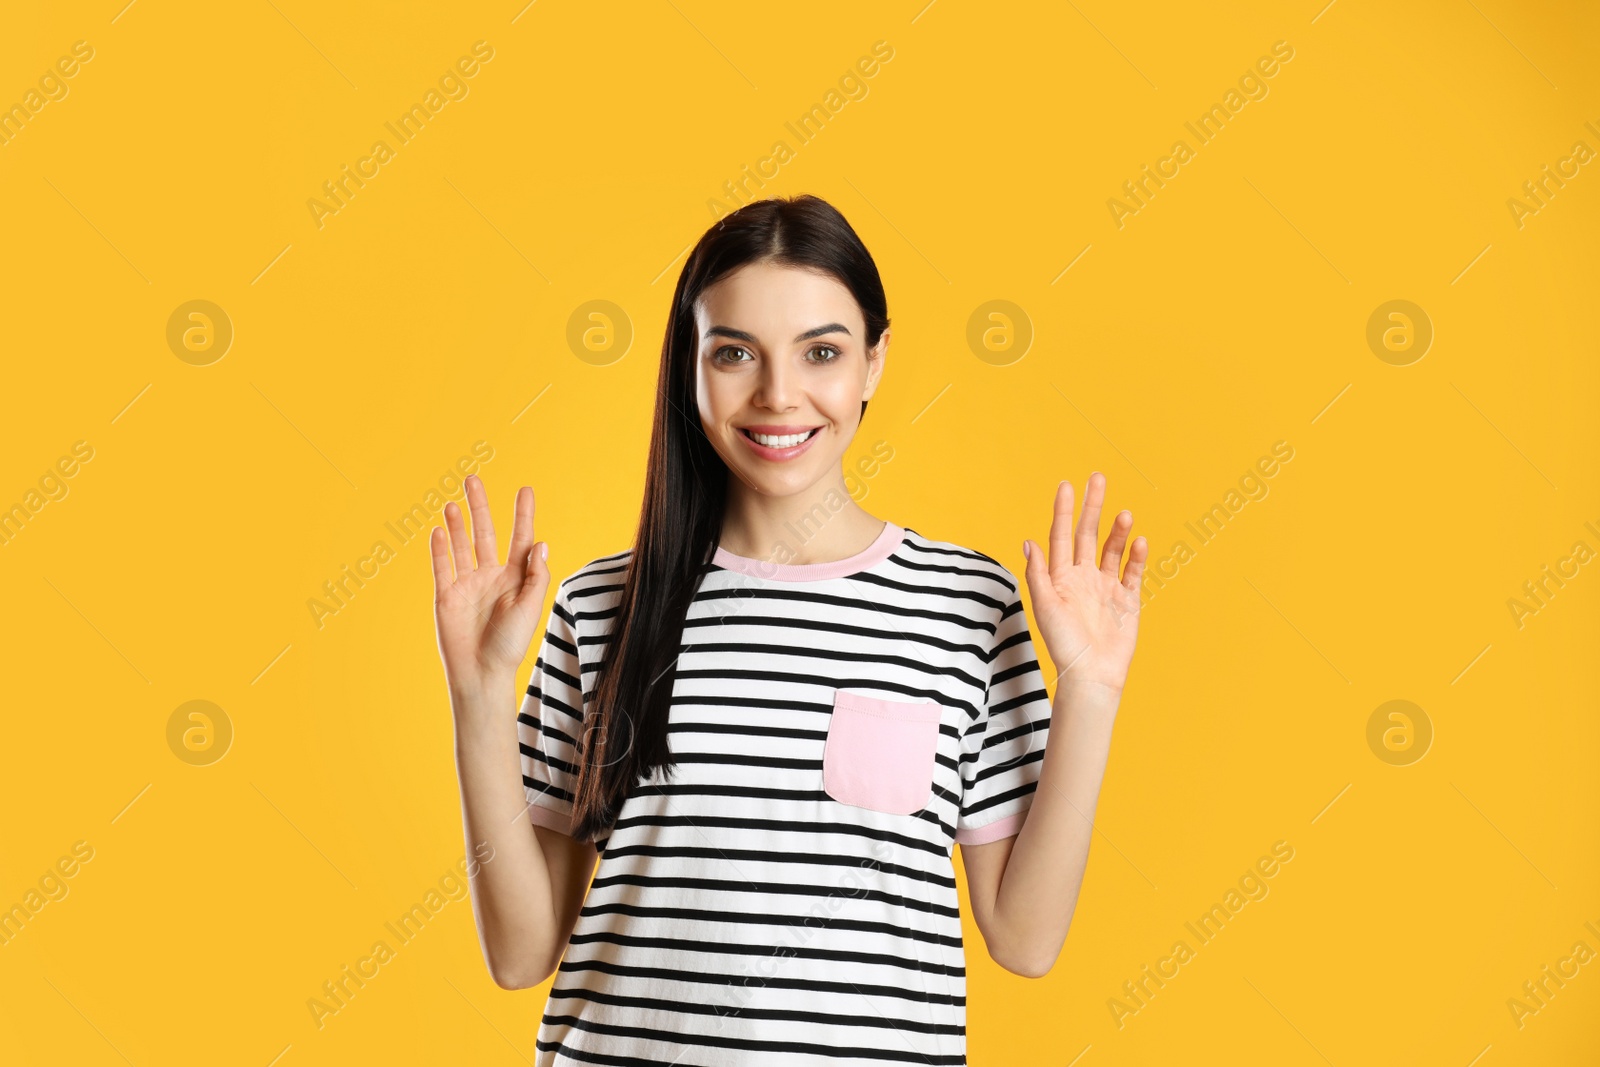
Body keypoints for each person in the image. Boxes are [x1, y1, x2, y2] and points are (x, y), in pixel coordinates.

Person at [431, 193, 1147, 1064]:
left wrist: (1093, 692)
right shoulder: (600, 606)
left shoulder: (967, 604)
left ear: (875, 363)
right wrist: (476, 692)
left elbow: (1025, 939)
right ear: (687, 367)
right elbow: (520, 954)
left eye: (822, 352)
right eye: (735, 353)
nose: (779, 395)